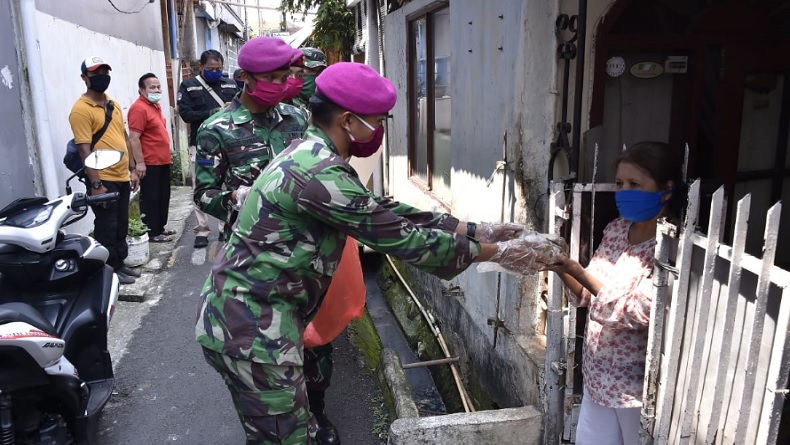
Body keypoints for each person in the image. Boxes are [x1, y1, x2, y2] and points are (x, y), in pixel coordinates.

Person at [195, 61, 540, 444]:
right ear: (347, 120)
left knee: (290, 430)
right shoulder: (319, 172)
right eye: (378, 120)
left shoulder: (309, 151)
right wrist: (500, 252)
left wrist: (473, 228)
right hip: (252, 330)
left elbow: (378, 208)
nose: (379, 130)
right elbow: (403, 238)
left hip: (253, 318)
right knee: (282, 438)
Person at [544, 141, 687, 445]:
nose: (623, 191)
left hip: (636, 388)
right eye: (620, 183)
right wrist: (559, 267)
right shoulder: (616, 230)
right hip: (598, 377)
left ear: (666, 189)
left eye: (635, 184)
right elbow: (587, 293)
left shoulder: (671, 247)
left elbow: (639, 310)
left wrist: (577, 269)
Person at [193, 37, 307, 241]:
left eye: (282, 78)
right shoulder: (215, 129)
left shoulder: (297, 118)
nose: (277, 85)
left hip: (300, 241)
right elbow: (203, 195)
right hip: (248, 245)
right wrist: (237, 198)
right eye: (269, 77)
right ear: (245, 76)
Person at [69, 56, 143, 285]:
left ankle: (120, 263)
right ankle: (108, 271)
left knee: (120, 224)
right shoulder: (81, 110)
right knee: (106, 226)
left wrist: (132, 168)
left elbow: (123, 137)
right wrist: (96, 185)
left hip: (121, 175)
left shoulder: (113, 103)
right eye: (95, 73)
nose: (102, 77)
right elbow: (84, 150)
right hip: (103, 179)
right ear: (85, 78)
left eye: (105, 72)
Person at [177, 49, 239, 248]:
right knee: (201, 188)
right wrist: (212, 112)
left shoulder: (231, 83)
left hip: (230, 144)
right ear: (201, 67)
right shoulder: (189, 86)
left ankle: (224, 226)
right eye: (211, 68)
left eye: (219, 68)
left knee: (227, 186)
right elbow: (186, 114)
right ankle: (202, 230)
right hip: (202, 145)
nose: (215, 71)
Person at [128, 73, 175, 243]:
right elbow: (133, 138)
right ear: (142, 90)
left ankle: (160, 228)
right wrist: (139, 163)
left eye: (158, 87)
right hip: (149, 162)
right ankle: (152, 232)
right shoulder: (138, 108)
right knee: (151, 198)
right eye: (152, 87)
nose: (156, 90)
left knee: (163, 196)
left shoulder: (155, 106)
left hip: (162, 160)